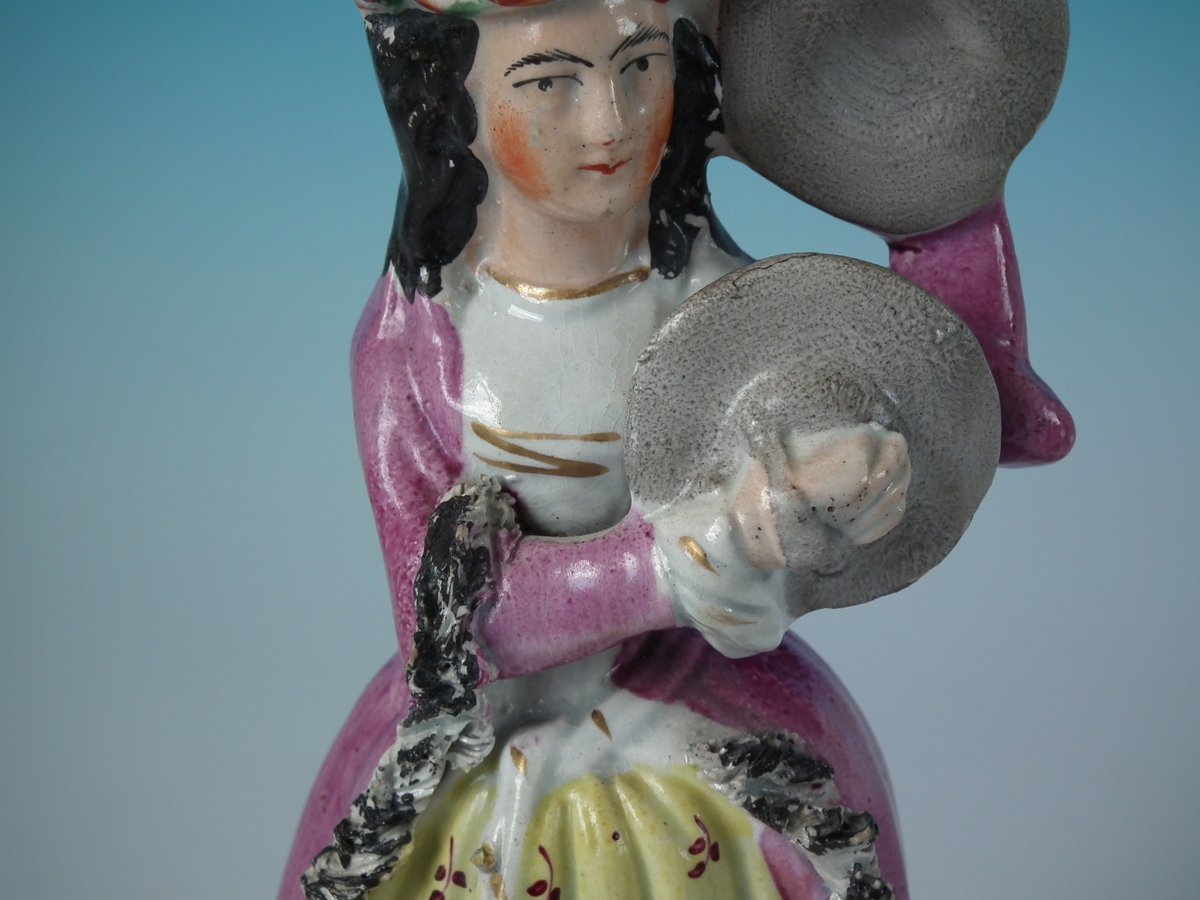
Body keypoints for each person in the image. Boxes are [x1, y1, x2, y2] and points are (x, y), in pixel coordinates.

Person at [281, 2, 930, 897]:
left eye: (639, 66)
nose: (610, 121)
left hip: (698, 703)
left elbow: (928, 399)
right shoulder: (415, 350)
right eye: (549, 82)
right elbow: (450, 624)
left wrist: (841, 481)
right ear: (452, 99)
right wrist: (697, 553)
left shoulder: (728, 310)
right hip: (484, 734)